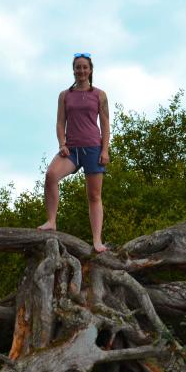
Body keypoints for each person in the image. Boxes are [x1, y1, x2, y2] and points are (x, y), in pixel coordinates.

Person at [37, 52, 110, 253]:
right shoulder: (65, 95)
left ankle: (97, 241)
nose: (81, 70)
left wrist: (105, 150)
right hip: (71, 149)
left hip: (94, 148)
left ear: (91, 70)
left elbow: (105, 124)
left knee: (94, 195)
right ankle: (51, 221)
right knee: (51, 175)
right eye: (78, 67)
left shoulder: (100, 95)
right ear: (73, 70)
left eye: (85, 67)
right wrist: (62, 143)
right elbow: (60, 123)